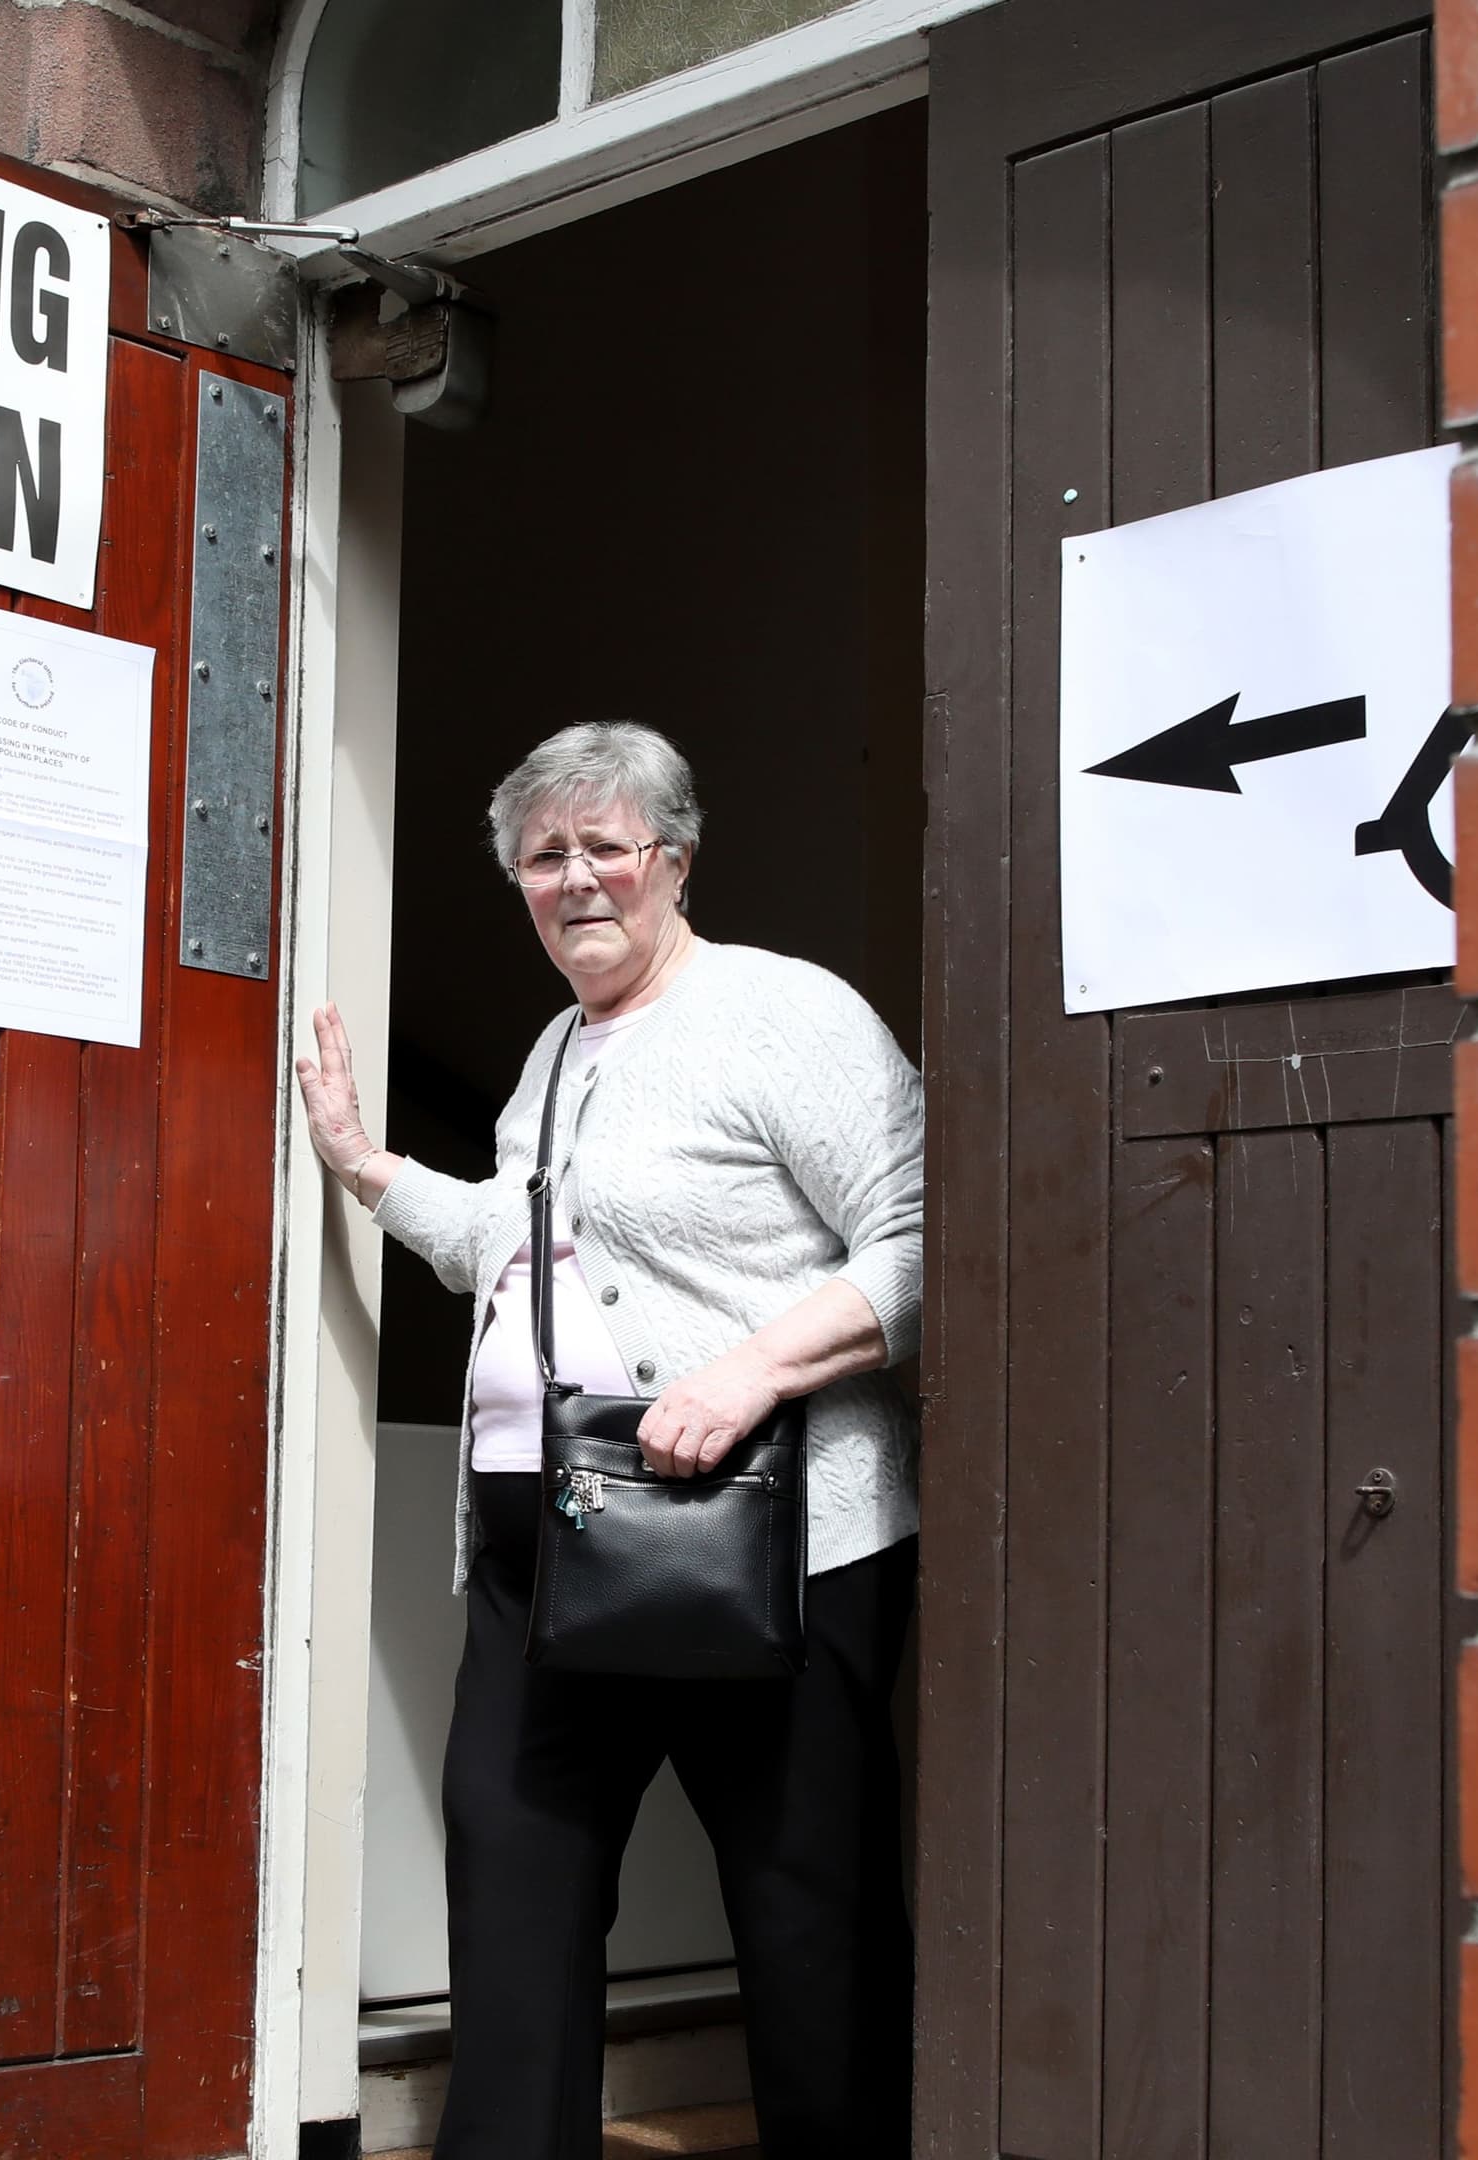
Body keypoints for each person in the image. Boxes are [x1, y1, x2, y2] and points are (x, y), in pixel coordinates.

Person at [293, 721, 923, 2160]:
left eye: (604, 848)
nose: (574, 879)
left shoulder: (785, 1015)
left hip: (768, 1543)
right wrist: (366, 1167)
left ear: (675, 861)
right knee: (513, 1889)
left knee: (808, 1916)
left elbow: (926, 1235)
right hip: (553, 1547)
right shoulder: (556, 1046)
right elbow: (518, 1250)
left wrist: (752, 1373)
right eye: (542, 857)